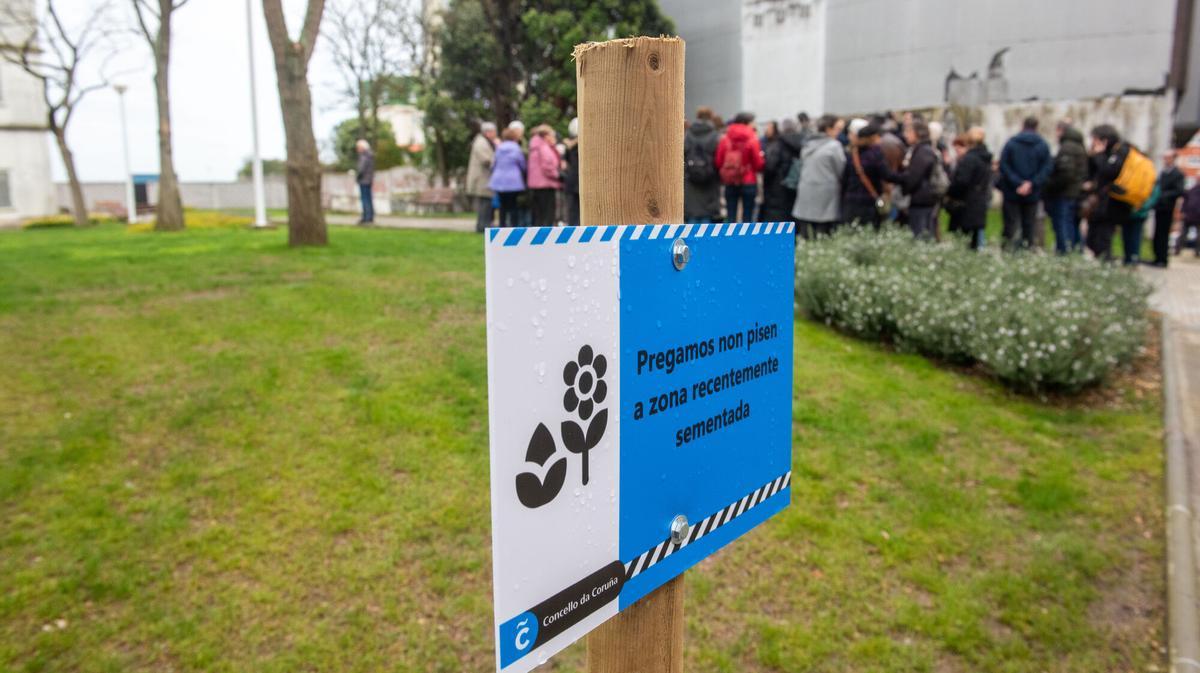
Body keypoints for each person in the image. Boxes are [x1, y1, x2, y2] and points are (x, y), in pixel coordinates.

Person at [997, 117, 1052, 250]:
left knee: (1010, 223)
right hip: (1032, 192)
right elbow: (1046, 168)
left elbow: (1004, 165)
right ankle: (1027, 248)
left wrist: (1018, 182)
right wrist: (1031, 183)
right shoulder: (1043, 145)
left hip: (1012, 190)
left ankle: (1008, 248)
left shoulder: (1011, 143)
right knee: (1029, 224)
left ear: (1023, 125)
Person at [792, 114, 846, 237]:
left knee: (806, 230)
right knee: (823, 231)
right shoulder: (834, 146)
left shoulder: (807, 144)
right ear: (828, 129)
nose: (839, 132)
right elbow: (841, 169)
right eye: (837, 129)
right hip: (827, 193)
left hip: (806, 189)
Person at [1083, 124, 1132, 261]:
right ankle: (1102, 261)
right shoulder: (1107, 154)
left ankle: (1106, 263)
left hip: (1112, 203)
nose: (1093, 142)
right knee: (1093, 237)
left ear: (1104, 139)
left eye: (1095, 139)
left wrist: (1099, 154)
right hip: (1102, 203)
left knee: (1103, 237)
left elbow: (1109, 171)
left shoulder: (1121, 151)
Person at [885, 119, 939, 239]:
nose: (906, 135)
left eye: (909, 132)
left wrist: (899, 181)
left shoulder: (923, 151)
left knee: (920, 234)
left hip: (921, 200)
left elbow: (913, 177)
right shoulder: (918, 150)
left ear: (917, 134)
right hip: (921, 199)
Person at [1042, 122, 1088, 254]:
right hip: (1075, 191)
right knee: (1072, 223)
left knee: (1063, 223)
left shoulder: (1067, 148)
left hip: (1065, 193)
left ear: (1061, 131)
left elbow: (1065, 173)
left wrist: (1051, 185)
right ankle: (1075, 249)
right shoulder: (1080, 146)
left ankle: (1064, 251)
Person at [945, 127, 994, 250]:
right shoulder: (984, 158)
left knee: (965, 241)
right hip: (979, 202)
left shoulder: (970, 159)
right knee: (975, 237)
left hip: (966, 205)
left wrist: (950, 192)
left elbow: (961, 182)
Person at [716, 112, 765, 222]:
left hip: (730, 180)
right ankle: (746, 239)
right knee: (748, 216)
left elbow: (719, 161)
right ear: (747, 123)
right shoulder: (752, 139)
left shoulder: (725, 139)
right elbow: (758, 164)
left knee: (731, 215)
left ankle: (729, 239)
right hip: (748, 180)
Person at [841, 124, 887, 229]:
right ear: (873, 138)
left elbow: (844, 179)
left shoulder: (852, 153)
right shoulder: (875, 154)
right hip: (869, 202)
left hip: (850, 201)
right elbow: (886, 174)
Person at [760, 120, 803, 222]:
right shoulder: (802, 143)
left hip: (776, 187)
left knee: (776, 219)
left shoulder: (777, 145)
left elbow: (770, 167)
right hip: (796, 186)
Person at [684, 107, 722, 222]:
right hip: (710, 177)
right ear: (710, 117)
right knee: (707, 213)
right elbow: (719, 158)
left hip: (691, 177)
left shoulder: (689, 134)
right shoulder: (715, 135)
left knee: (692, 211)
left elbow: (684, 152)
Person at [1152, 150, 1185, 266]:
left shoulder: (1177, 174)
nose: (1165, 160)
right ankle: (1157, 257)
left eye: (1167, 157)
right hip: (1159, 207)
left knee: (1163, 233)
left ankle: (1163, 259)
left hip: (1167, 207)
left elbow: (1180, 191)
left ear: (1173, 159)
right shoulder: (1163, 172)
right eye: (1164, 157)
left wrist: (1163, 195)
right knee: (1157, 233)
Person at [489, 127, 527, 227]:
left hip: (499, 180)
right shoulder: (516, 148)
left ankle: (502, 225)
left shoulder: (499, 148)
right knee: (513, 205)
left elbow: (493, 164)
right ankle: (514, 225)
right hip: (513, 180)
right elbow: (522, 164)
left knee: (502, 205)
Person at [527, 125, 562, 228]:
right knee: (547, 215)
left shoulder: (534, 146)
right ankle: (546, 238)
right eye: (552, 135)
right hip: (546, 184)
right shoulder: (544, 147)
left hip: (535, 184)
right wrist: (558, 175)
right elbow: (547, 166)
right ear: (546, 136)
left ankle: (537, 239)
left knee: (538, 215)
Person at [466, 122, 497, 232]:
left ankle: (483, 225)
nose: (495, 134)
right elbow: (486, 160)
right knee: (485, 204)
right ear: (488, 132)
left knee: (486, 203)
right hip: (482, 179)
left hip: (484, 179)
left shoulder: (484, 142)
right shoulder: (481, 143)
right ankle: (482, 226)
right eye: (494, 132)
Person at [562, 118, 581, 226]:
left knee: (572, 209)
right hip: (578, 180)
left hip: (571, 180)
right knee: (577, 209)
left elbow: (566, 161)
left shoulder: (568, 145)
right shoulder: (580, 144)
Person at [354, 139, 375, 225]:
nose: (357, 149)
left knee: (365, 199)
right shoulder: (370, 155)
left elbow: (361, 169)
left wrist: (357, 177)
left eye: (358, 147)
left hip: (364, 180)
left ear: (362, 147)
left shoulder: (364, 156)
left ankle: (366, 217)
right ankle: (370, 217)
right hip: (369, 179)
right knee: (368, 199)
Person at [1180, 181, 1200, 257]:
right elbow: (1185, 200)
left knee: (1198, 236)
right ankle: (1178, 249)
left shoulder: (1192, 189)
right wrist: (1183, 211)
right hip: (1189, 215)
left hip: (1197, 217)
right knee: (1183, 233)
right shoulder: (1192, 189)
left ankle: (1197, 251)